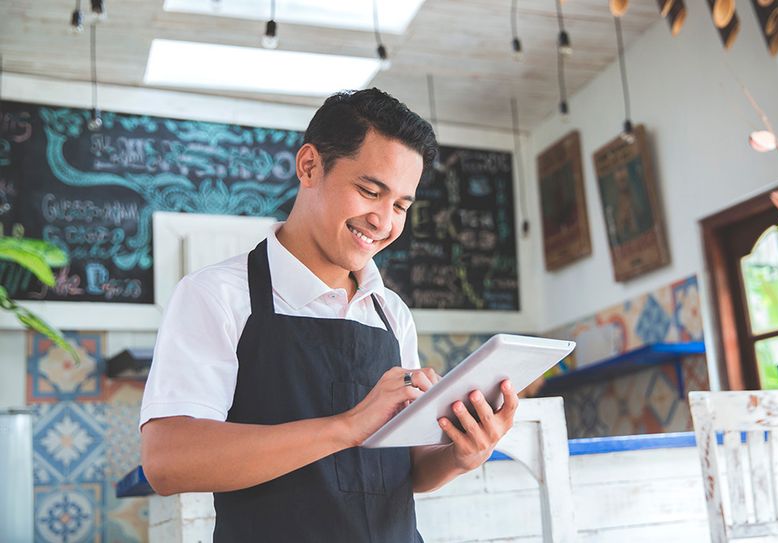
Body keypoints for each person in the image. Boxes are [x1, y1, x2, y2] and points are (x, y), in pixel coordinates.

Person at [139, 88, 520, 542]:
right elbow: (168, 461)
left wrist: (462, 455)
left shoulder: (391, 313)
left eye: (400, 205)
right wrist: (346, 427)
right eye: (369, 191)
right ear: (309, 166)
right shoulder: (216, 295)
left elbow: (400, 472)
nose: (383, 221)